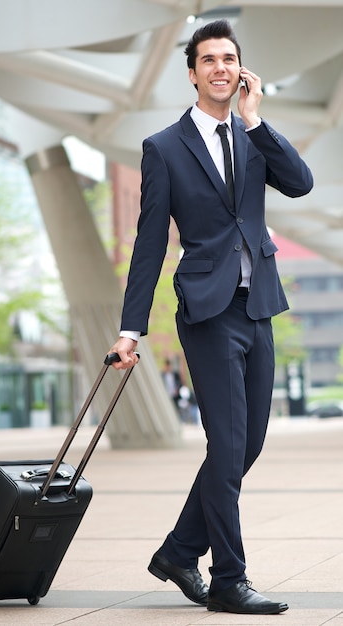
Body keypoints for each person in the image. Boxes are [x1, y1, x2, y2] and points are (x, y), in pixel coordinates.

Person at [108, 19, 313, 615]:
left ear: (241, 70)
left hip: (260, 305)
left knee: (246, 445)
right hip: (207, 309)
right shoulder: (164, 149)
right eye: (209, 59)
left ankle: (177, 552)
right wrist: (131, 328)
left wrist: (256, 120)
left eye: (230, 58)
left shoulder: (255, 136)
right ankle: (229, 578)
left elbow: (301, 184)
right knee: (225, 448)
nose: (221, 67)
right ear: (192, 72)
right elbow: (148, 245)